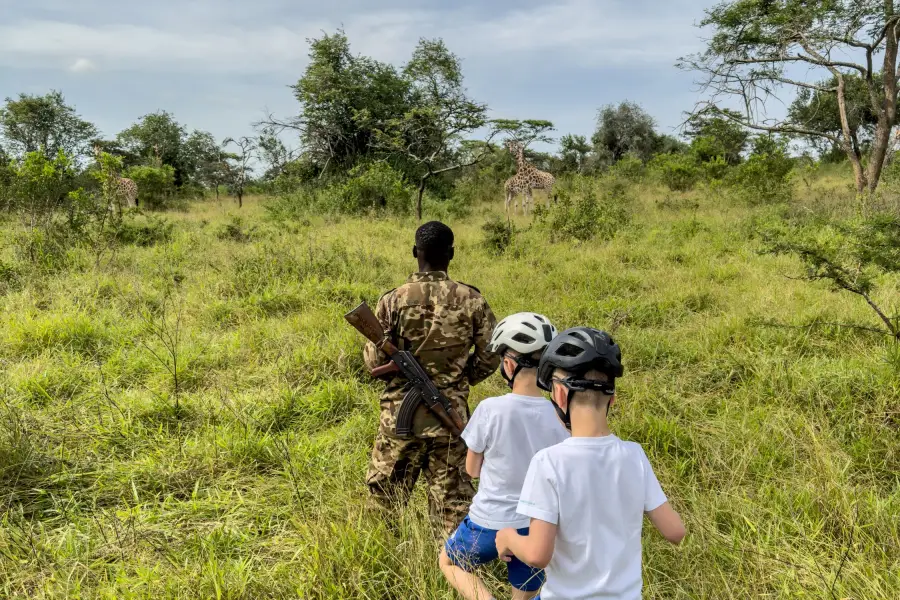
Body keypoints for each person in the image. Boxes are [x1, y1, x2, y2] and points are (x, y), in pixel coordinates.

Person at [495, 328, 686, 600]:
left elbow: (538, 554)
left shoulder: (548, 463)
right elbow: (675, 532)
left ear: (559, 395)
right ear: (612, 399)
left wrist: (508, 538)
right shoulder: (634, 455)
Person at [363, 221, 500, 535]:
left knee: (385, 501)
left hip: (400, 420)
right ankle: (454, 570)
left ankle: (386, 562)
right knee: (452, 507)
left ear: (415, 253)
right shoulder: (472, 300)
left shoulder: (391, 301)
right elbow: (491, 354)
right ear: (451, 254)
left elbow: (373, 361)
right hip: (450, 419)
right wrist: (459, 380)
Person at [440, 313, 569, 600]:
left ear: (508, 365)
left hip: (488, 521)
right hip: (536, 527)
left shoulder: (490, 409)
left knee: (448, 562)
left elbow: (472, 469)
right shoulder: (560, 417)